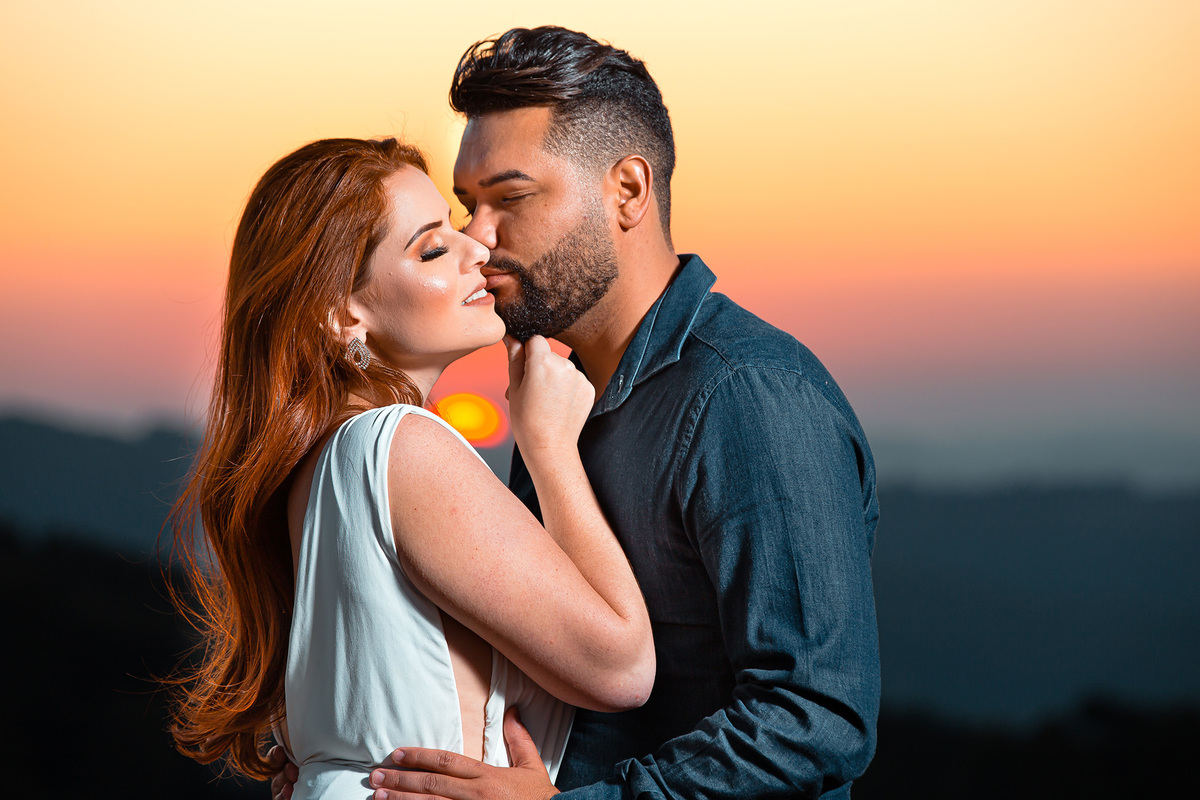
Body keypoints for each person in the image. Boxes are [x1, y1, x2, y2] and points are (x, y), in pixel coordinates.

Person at [354, 26, 881, 800]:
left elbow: (814, 717)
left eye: (510, 198)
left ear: (628, 191)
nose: (478, 239)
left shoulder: (749, 396)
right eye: (470, 206)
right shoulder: (556, 403)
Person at [168, 137, 654, 799]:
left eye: (454, 228)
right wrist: (550, 449)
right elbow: (621, 668)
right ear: (342, 314)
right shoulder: (397, 445)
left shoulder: (320, 465)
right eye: (431, 249)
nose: (476, 250)